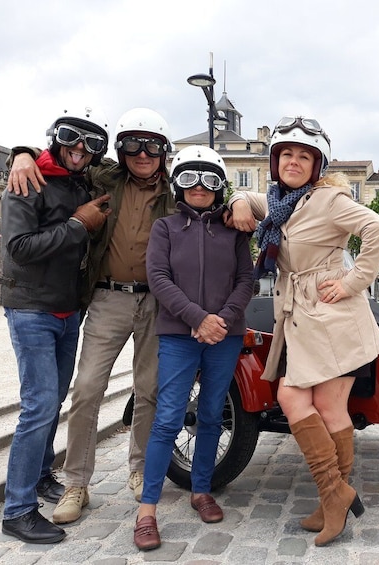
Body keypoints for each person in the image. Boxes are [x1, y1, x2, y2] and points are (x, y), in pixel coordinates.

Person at [226, 116, 379, 546]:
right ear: (275, 160)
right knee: (310, 401)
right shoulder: (282, 202)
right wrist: (242, 200)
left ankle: (333, 498)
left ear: (317, 165)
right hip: (302, 318)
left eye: (304, 156)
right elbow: (248, 199)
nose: (294, 161)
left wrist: (354, 282)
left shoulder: (327, 199)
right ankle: (332, 497)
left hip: (333, 317)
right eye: (286, 154)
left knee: (312, 403)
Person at [7, 108, 176, 524]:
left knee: (149, 389)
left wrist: (243, 199)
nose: (142, 153)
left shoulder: (177, 190)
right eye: (133, 144)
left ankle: (140, 471)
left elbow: (216, 193)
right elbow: (65, 155)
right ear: (120, 149)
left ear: (164, 152)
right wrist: (22, 152)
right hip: (108, 297)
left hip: (157, 301)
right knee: (85, 389)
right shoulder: (102, 178)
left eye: (152, 145)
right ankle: (76, 481)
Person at [133, 146, 254, 550]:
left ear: (219, 186)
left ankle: (201, 490)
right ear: (177, 184)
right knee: (168, 419)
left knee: (210, 415)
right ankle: (147, 509)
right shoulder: (165, 228)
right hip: (179, 334)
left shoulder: (235, 232)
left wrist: (222, 319)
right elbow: (159, 277)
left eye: (207, 178)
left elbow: (245, 279)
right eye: (188, 177)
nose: (198, 186)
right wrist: (196, 318)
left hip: (224, 335)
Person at [0, 107, 111, 543]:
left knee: (55, 398)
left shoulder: (81, 178)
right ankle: (17, 509)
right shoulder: (27, 181)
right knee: (40, 403)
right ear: (54, 137)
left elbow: (133, 162)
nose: (80, 150)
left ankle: (42, 477)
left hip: (68, 309)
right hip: (31, 308)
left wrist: (21, 150)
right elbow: (21, 248)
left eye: (91, 144)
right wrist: (78, 224)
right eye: (71, 138)